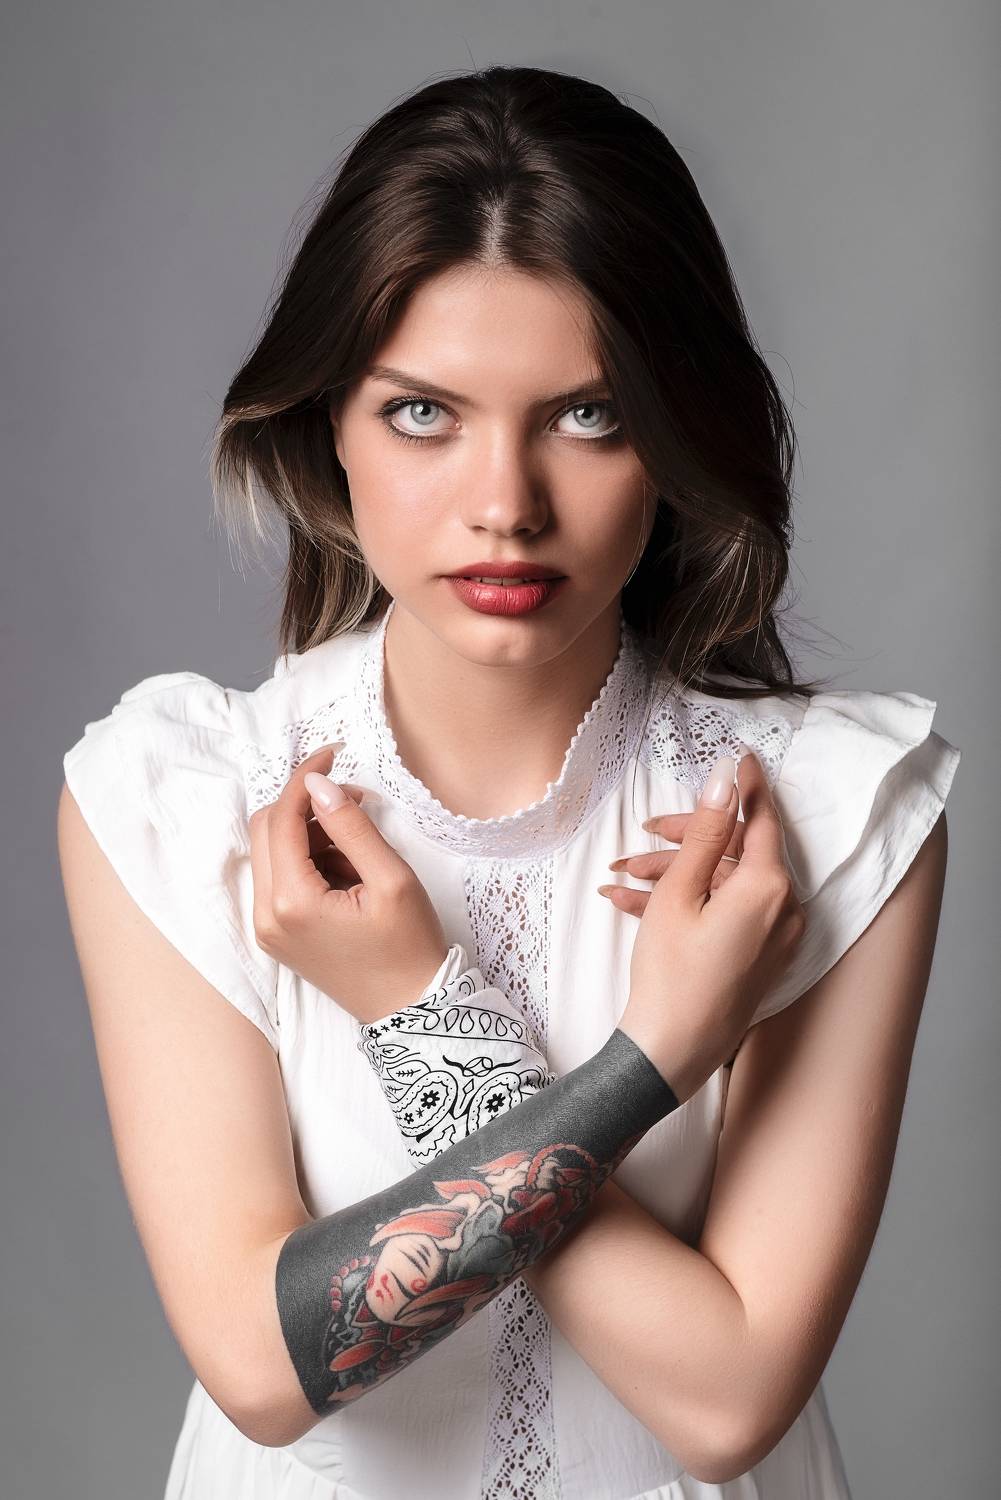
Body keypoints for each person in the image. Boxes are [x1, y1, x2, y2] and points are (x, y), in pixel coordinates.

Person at [57, 64, 961, 1500]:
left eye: (587, 415)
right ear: (329, 424)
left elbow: (728, 1399)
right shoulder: (183, 799)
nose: (505, 503)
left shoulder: (829, 812)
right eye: (423, 413)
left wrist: (421, 1017)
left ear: (673, 434)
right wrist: (635, 1059)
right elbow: (262, 1365)